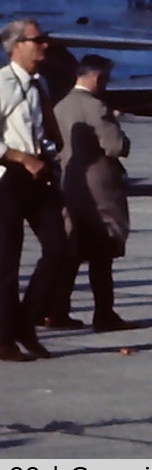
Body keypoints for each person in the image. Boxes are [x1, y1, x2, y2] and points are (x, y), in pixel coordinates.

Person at [48, 55, 135, 333]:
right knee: (103, 250)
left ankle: (57, 309)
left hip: (69, 182)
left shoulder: (61, 105)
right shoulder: (96, 107)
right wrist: (118, 126)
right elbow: (115, 146)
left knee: (73, 250)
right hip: (99, 187)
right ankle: (104, 313)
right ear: (97, 77)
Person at [0, 19, 71, 360]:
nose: (44, 46)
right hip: (8, 176)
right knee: (7, 260)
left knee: (58, 249)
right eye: (37, 40)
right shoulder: (2, 83)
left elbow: (45, 128)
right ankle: (3, 336)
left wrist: (48, 153)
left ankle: (26, 323)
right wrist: (21, 158)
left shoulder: (39, 84)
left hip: (39, 172)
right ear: (17, 45)